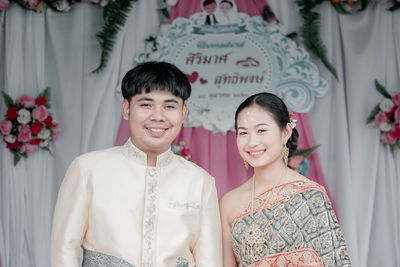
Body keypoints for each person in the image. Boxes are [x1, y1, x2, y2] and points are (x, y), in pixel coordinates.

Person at [51, 61, 222, 267]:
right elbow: (64, 250)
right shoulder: (88, 169)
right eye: (146, 105)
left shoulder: (200, 182)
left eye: (169, 106)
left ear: (183, 113)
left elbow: (209, 261)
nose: (158, 116)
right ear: (126, 109)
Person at [219, 92, 351, 266]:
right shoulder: (229, 203)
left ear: (285, 132)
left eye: (261, 131)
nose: (251, 142)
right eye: (243, 133)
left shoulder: (310, 196)